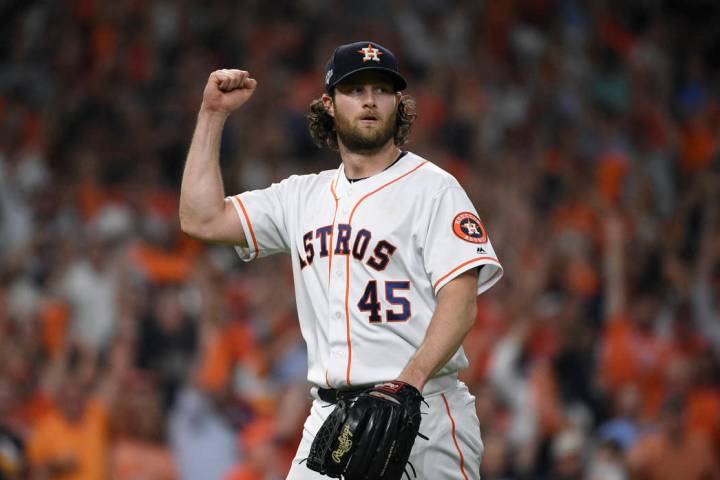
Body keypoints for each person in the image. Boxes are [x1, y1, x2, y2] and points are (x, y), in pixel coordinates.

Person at [179, 40, 503, 479]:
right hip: (332, 419)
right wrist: (212, 115)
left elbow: (461, 302)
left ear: (398, 103)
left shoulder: (435, 190)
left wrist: (409, 379)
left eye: (382, 90)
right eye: (355, 90)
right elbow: (201, 218)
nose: (369, 100)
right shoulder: (301, 196)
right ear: (329, 105)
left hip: (425, 413)